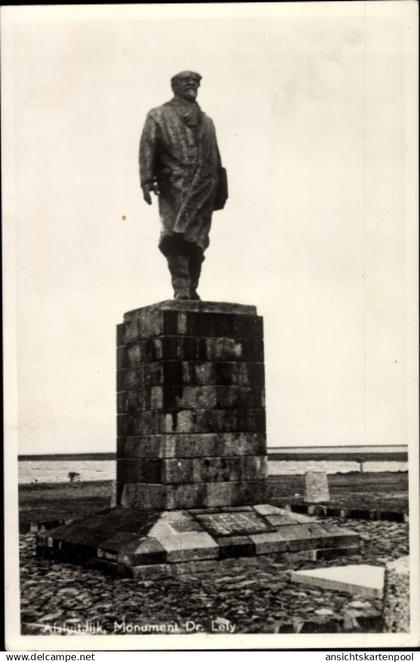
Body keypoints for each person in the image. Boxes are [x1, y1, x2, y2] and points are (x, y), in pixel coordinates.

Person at [139, 70, 227, 300]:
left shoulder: (207, 122)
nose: (192, 84)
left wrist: (220, 189)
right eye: (186, 81)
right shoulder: (158, 115)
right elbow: (148, 146)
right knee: (174, 237)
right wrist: (146, 180)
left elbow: (215, 158)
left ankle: (192, 287)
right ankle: (181, 287)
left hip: (204, 188)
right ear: (174, 86)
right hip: (173, 186)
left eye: (196, 81)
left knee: (198, 242)